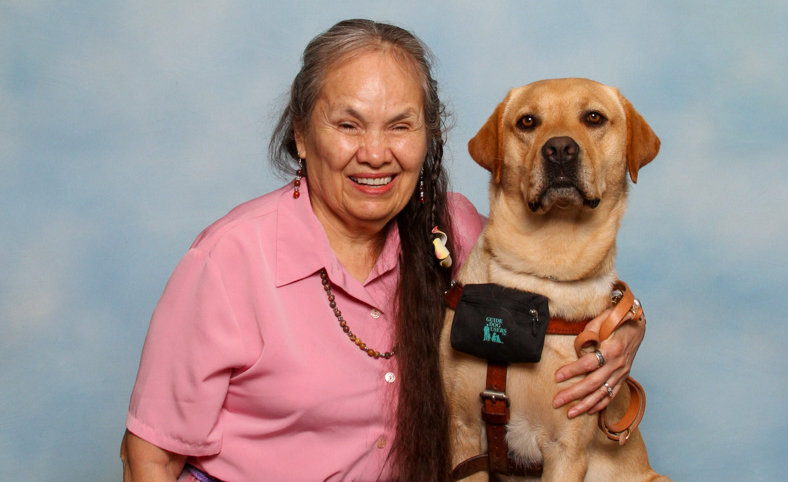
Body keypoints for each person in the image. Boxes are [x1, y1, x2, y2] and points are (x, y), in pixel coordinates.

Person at [120, 19, 646, 482]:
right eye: (347, 125)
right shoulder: (228, 261)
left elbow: (559, 274)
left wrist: (625, 326)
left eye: (400, 126)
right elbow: (148, 458)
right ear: (302, 135)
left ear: (428, 139)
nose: (375, 154)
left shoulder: (455, 233)